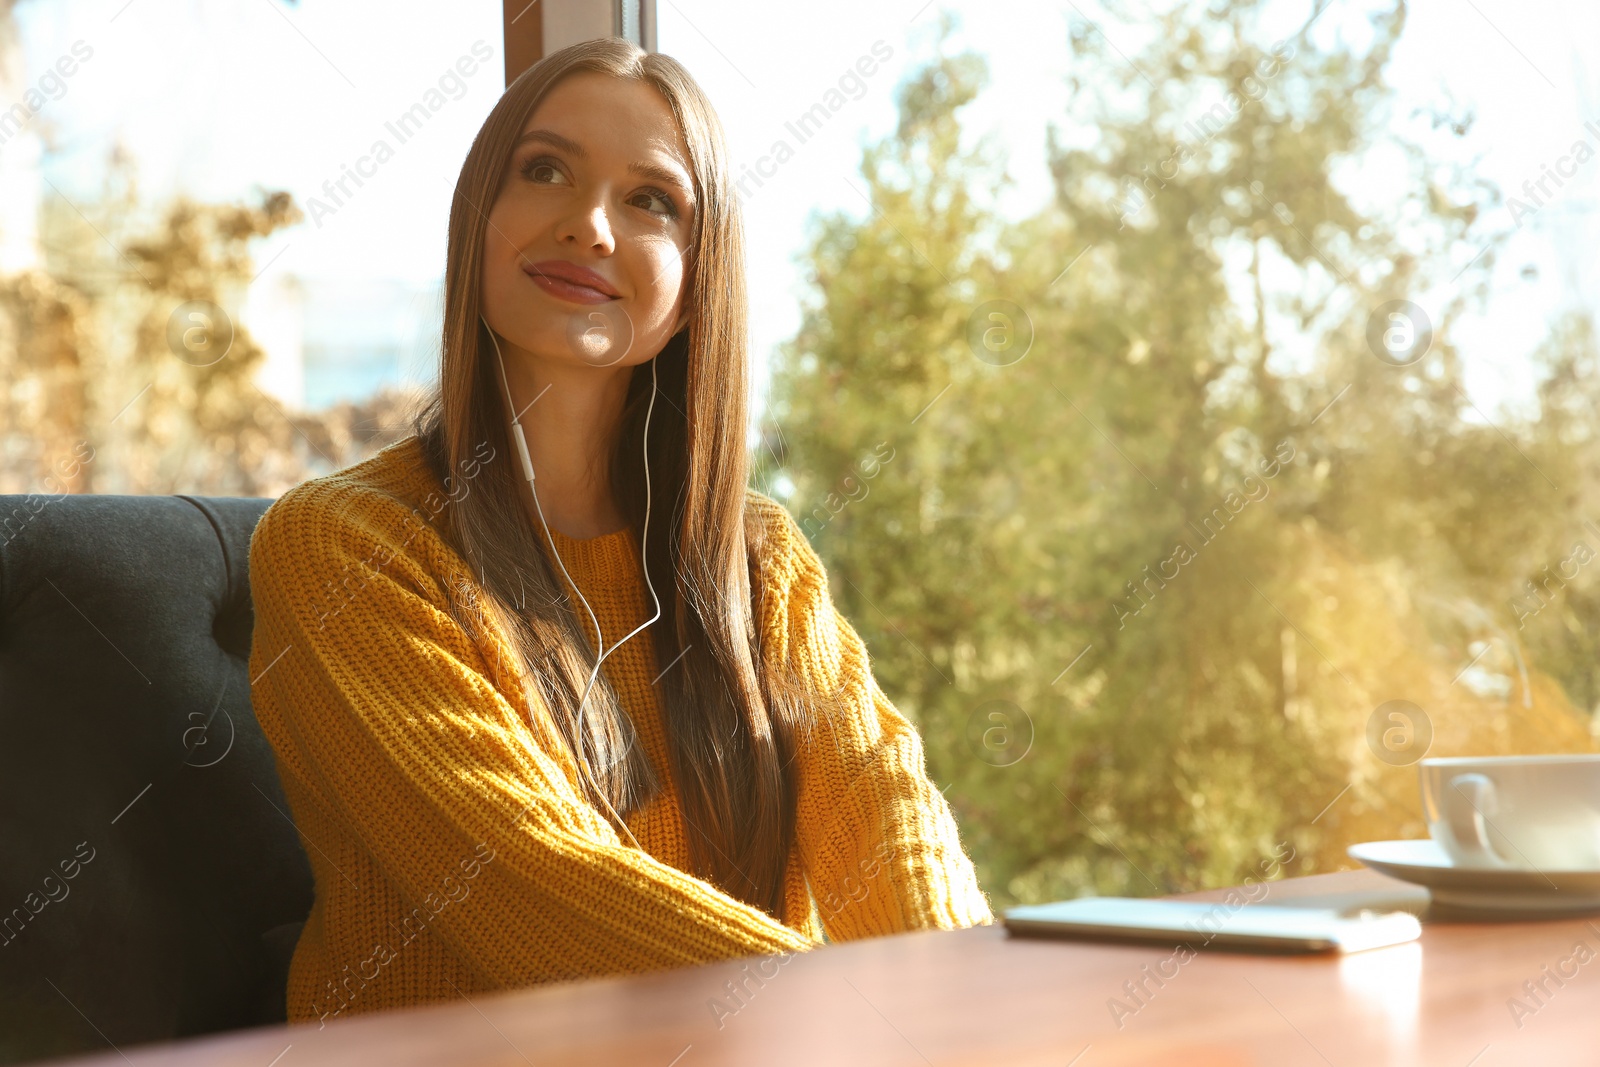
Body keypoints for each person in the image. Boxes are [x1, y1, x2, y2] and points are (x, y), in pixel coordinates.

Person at [247, 36, 992, 1028]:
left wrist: (983, 1013)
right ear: (478, 221)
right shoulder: (343, 544)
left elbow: (881, 815)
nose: (588, 225)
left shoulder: (758, 557)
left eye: (652, 200)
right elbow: (532, 887)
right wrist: (867, 1020)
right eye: (544, 169)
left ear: (695, 287)